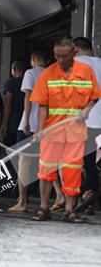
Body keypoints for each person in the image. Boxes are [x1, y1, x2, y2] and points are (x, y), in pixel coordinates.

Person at [30, 37, 100, 223]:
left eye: (64, 56)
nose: (60, 60)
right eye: (57, 56)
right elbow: (42, 105)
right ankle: (44, 208)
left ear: (73, 53)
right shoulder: (48, 74)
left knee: (72, 171)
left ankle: (70, 210)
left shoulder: (85, 72)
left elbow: (95, 96)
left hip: (75, 132)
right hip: (52, 132)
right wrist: (39, 128)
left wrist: (87, 109)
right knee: (46, 171)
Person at [9, 50, 65, 213]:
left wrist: (26, 120)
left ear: (33, 60)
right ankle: (60, 194)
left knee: (23, 164)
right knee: (47, 162)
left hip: (31, 124)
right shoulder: (53, 73)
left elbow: (28, 97)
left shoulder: (30, 73)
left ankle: (23, 202)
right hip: (48, 124)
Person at [73, 37, 101, 214]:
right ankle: (91, 198)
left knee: (86, 162)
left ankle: (87, 196)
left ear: (76, 50)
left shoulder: (76, 64)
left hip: (86, 121)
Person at [1, 60, 27, 146]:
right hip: (26, 124)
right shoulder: (29, 83)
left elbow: (8, 104)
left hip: (12, 123)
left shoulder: (11, 83)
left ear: (14, 69)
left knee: (9, 153)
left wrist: (4, 124)